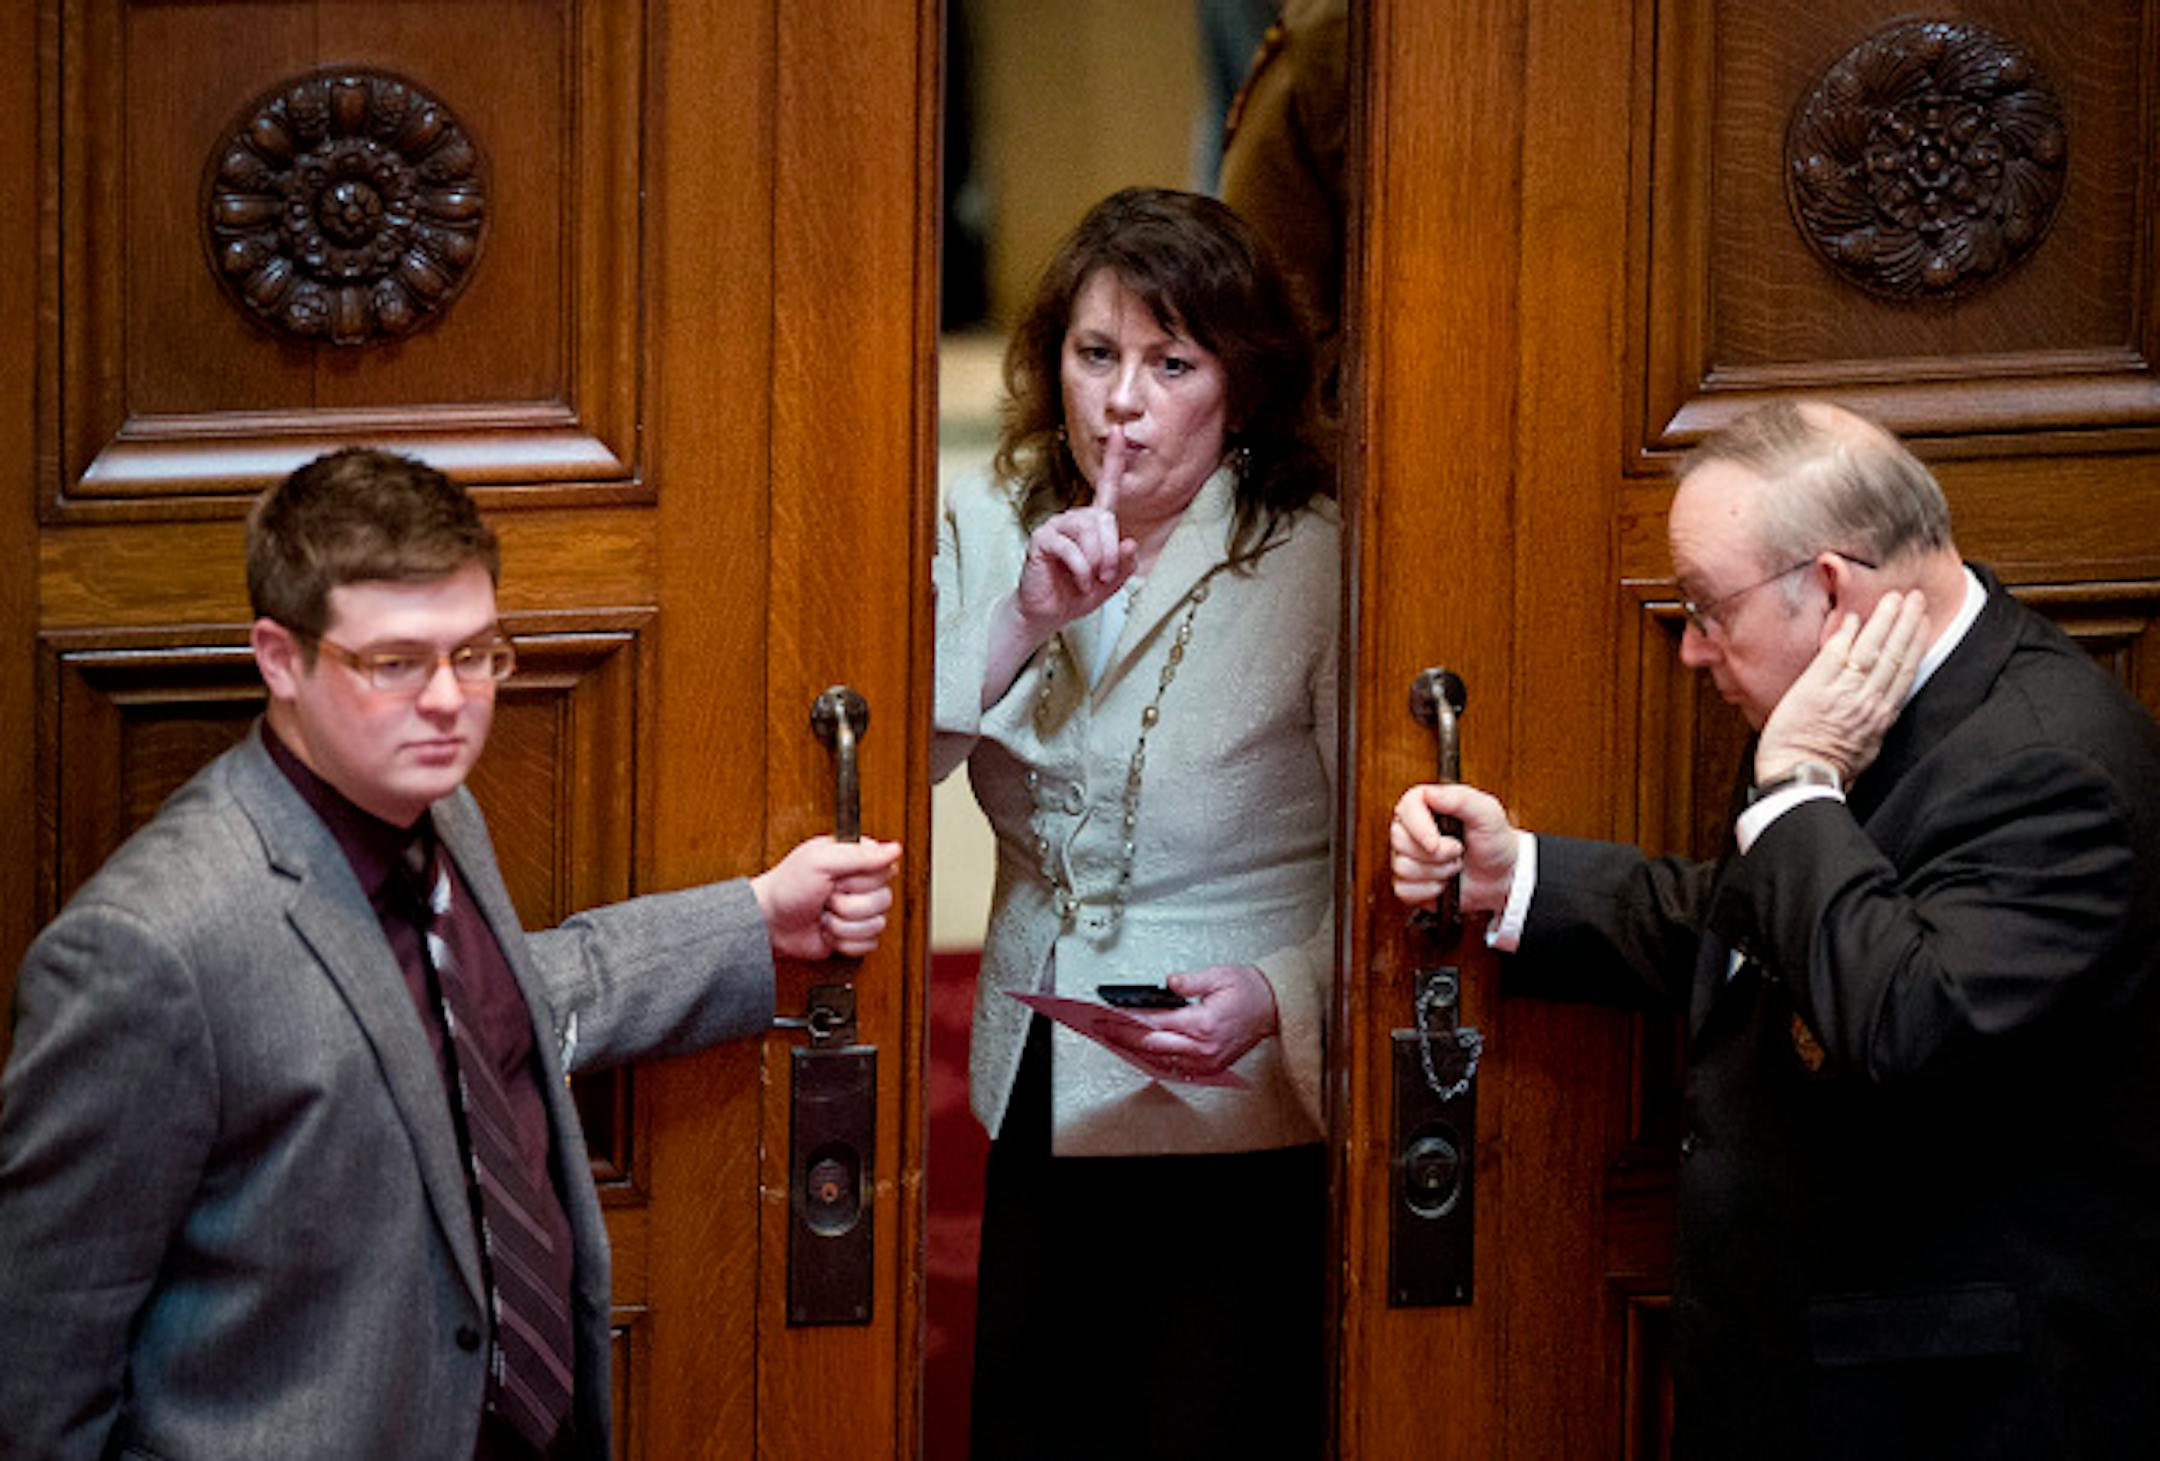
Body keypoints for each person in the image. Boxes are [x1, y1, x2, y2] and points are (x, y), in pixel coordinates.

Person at [0, 448, 902, 1461]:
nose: (449, 700)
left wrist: (754, 919)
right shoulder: (144, 951)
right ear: (279, 657)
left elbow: (477, 1018)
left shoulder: (435, 805)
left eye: (474, 655)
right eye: (395, 662)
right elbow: (40, 1375)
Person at [1390, 401, 2160, 1460]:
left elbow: (1911, 1026)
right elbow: (1771, 934)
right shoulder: (1876, 707)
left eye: (1708, 609)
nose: (1693, 651)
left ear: (1832, 590)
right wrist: (1516, 877)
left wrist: (1800, 787)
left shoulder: (2051, 769)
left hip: (1954, 1413)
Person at [934, 187, 1336, 1458]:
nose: (1123, 401)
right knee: (1038, 1416)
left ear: (1241, 386)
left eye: (1172, 363)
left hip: (1233, 1079)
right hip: (1037, 1048)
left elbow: (1392, 867)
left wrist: (1277, 995)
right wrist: (1023, 622)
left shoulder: (1320, 557)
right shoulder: (991, 527)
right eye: (1096, 354)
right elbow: (891, 779)